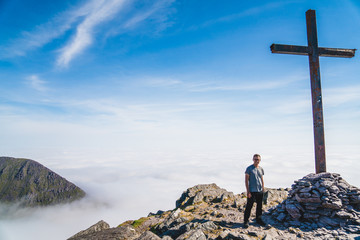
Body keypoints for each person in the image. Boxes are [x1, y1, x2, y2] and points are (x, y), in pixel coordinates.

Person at [243, 154, 265, 228]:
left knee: (259, 206)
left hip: (259, 190)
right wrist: (248, 191)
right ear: (253, 159)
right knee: (249, 206)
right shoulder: (249, 168)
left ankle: (259, 219)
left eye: (258, 159)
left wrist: (263, 187)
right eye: (255, 159)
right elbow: (246, 181)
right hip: (252, 190)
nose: (257, 161)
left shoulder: (261, 169)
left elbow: (261, 178)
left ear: (260, 160)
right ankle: (246, 221)